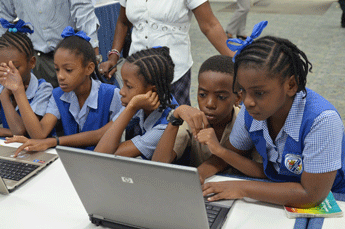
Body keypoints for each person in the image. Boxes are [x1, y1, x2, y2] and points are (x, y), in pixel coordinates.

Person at [202, 21, 345, 208]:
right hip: (277, 192)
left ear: (291, 85)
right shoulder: (253, 111)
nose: (247, 102)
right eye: (242, 91)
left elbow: (312, 195)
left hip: (332, 199)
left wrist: (243, 188)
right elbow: (229, 154)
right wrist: (199, 175)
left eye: (259, 93)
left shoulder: (321, 120)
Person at [1, 26, 121, 156]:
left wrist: (53, 141)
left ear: (89, 68)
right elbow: (39, 133)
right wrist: (18, 90)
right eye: (57, 69)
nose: (60, 76)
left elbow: (103, 134)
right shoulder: (58, 95)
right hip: (70, 162)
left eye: (68, 70)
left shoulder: (111, 94)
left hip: (104, 163)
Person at [98, 0, 235, 106]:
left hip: (174, 73)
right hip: (137, 73)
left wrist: (237, 60)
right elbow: (123, 22)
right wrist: (114, 56)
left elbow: (210, 25)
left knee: (176, 127)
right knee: (137, 124)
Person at [152, 55, 255, 184]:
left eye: (221, 97)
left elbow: (263, 171)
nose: (210, 104)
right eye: (202, 95)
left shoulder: (248, 121)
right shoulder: (190, 120)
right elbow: (157, 166)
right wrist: (175, 118)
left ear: (238, 98)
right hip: (200, 190)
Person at [95, 46, 178, 159]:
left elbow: (101, 155)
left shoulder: (164, 126)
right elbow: (104, 134)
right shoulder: (141, 99)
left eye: (128, 86)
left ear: (153, 90)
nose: (122, 92)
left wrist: (132, 108)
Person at [0, 0, 100, 88]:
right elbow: (3, 16)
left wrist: (94, 55)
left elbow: (82, 8)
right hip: (39, 60)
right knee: (49, 104)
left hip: (73, 53)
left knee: (84, 103)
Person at [0, 18, 53, 137]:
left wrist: (5, 96)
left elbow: (20, 132)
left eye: (16, 67)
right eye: (2, 67)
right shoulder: (1, 84)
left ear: (32, 62)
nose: (8, 73)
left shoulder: (43, 89)